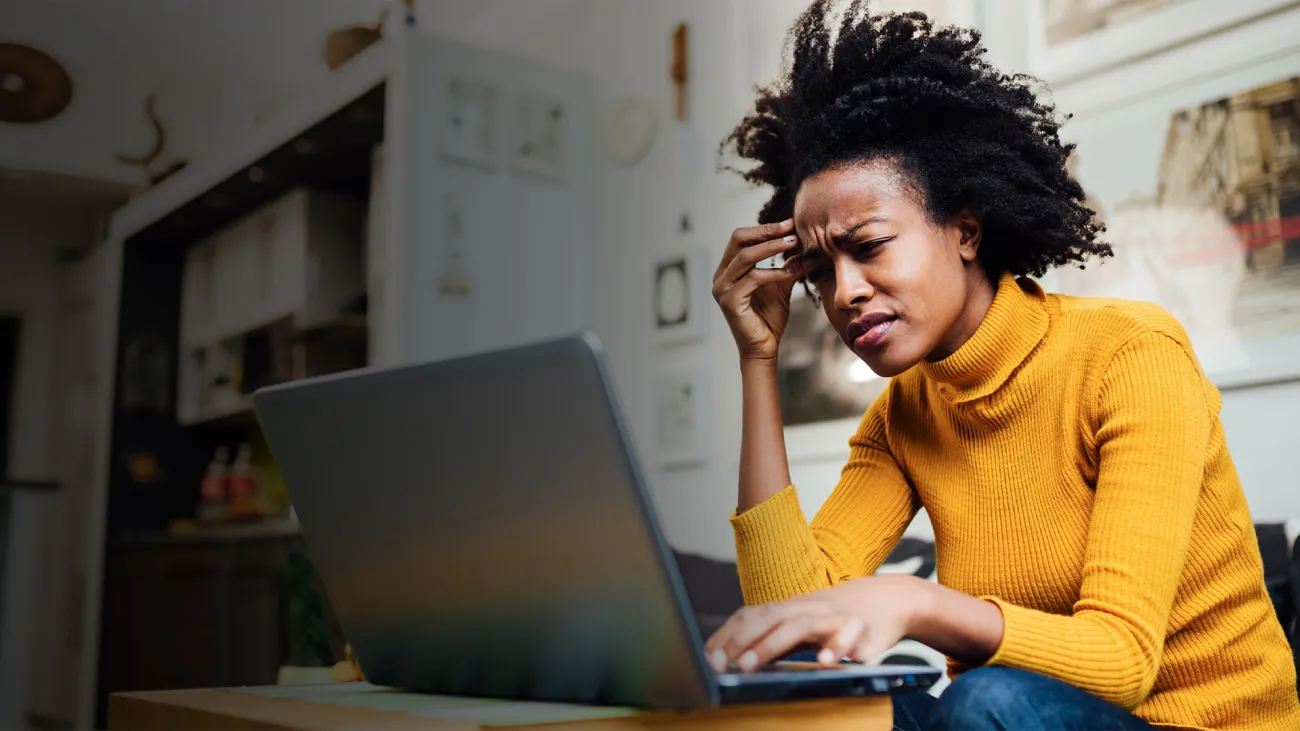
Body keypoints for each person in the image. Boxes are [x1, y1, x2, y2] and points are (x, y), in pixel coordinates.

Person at [704, 2, 1300, 729]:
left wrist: (916, 601)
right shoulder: (905, 416)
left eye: (868, 246)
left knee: (988, 695)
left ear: (964, 230)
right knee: (829, 709)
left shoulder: (1132, 355)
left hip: (1195, 722)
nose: (844, 291)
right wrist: (756, 362)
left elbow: (1121, 661)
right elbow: (786, 622)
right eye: (820, 272)